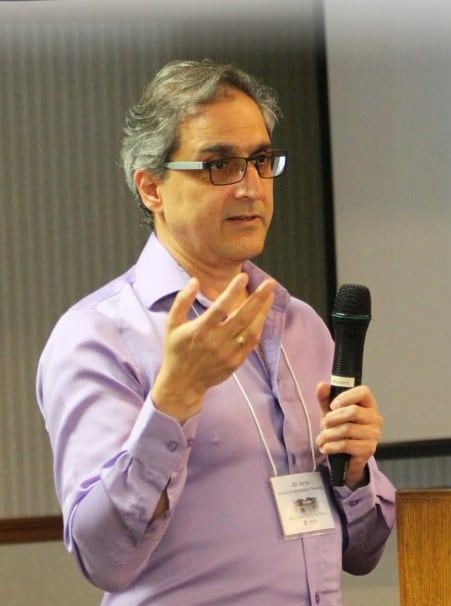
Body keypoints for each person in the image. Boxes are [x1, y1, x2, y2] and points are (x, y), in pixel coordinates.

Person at [36, 59, 396, 606]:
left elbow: (363, 552)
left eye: (260, 161)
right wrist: (174, 400)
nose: (250, 187)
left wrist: (354, 472)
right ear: (152, 187)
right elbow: (102, 556)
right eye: (219, 165)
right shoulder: (99, 335)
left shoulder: (302, 326)